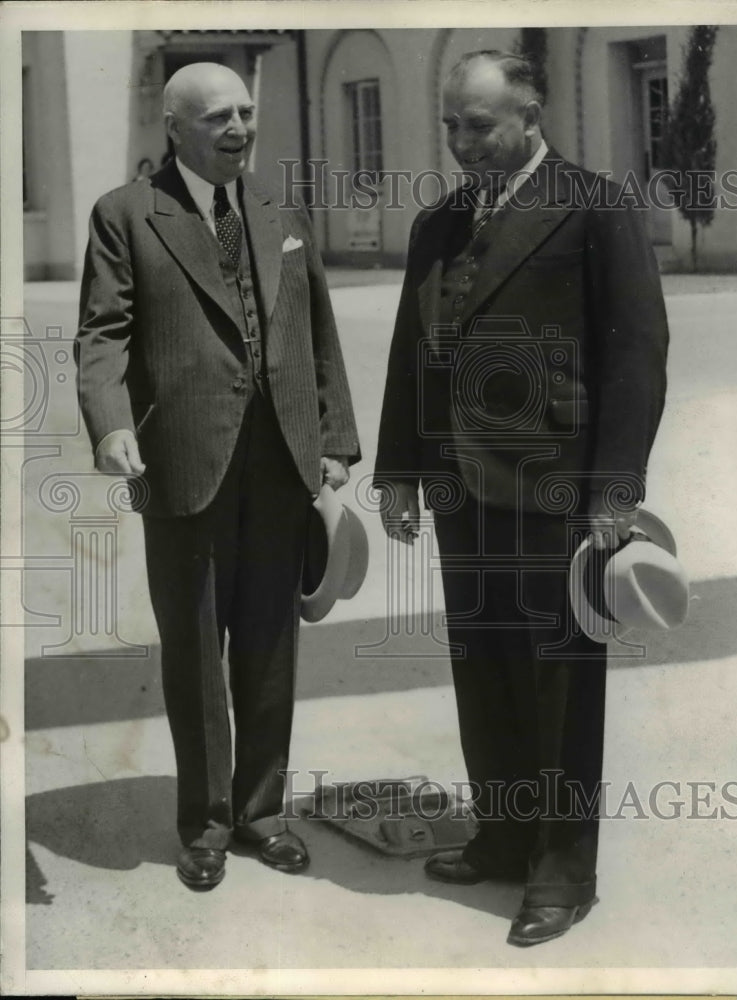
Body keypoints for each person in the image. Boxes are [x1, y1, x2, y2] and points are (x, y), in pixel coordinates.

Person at [375, 50, 668, 946]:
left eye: (480, 125)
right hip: (461, 493)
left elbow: (635, 353)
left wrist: (613, 491)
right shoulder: (440, 222)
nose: (463, 143)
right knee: (485, 669)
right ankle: (502, 835)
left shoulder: (595, 208)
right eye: (452, 126)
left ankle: (561, 872)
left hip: (559, 498)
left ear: (531, 116)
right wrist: (397, 471)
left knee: (562, 685)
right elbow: (411, 353)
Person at [76, 63, 360, 890]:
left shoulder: (278, 216)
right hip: (184, 465)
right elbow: (102, 334)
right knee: (196, 652)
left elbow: (317, 335)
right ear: (174, 127)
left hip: (280, 466)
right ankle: (203, 823)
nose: (238, 129)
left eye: (245, 113)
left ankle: (261, 812)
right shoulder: (126, 215)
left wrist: (335, 438)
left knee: (271, 647)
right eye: (216, 119)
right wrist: (112, 425)